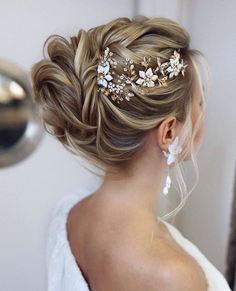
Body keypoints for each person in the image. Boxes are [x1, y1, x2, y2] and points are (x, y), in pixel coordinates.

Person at [31, 15, 232, 291]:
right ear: (169, 132)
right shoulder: (174, 276)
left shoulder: (70, 214)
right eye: (200, 102)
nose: (203, 115)